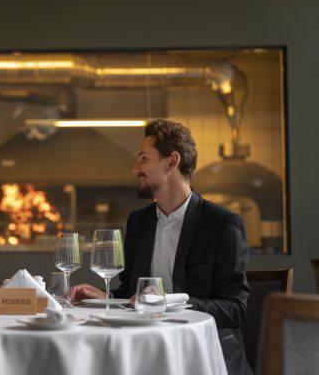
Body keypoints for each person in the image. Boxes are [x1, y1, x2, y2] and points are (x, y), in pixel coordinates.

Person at [71, 119, 251, 375]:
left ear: (172, 161)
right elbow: (133, 294)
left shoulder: (222, 224)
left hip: (202, 356)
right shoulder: (139, 222)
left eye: (143, 158)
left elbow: (237, 309)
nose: (135, 169)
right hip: (143, 351)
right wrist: (106, 297)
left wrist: (169, 302)